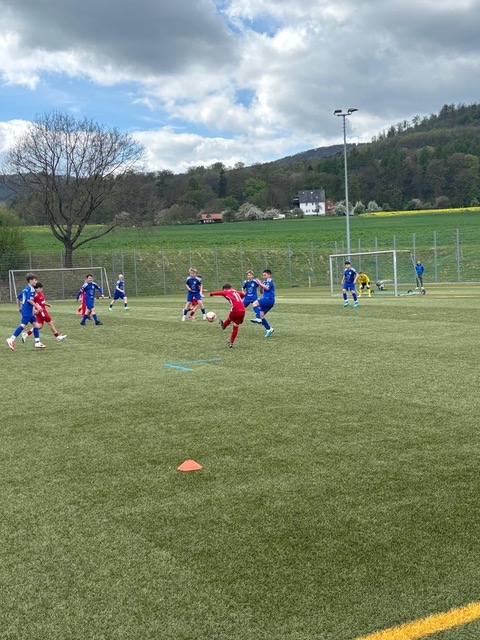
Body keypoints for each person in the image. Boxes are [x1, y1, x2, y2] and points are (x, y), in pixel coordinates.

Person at [6, 273, 46, 350]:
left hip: (28, 310)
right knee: (23, 325)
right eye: (35, 280)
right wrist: (37, 306)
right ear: (30, 280)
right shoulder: (31, 289)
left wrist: (19, 308)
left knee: (36, 325)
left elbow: (18, 297)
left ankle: (37, 342)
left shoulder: (26, 289)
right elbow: (29, 300)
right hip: (27, 310)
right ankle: (11, 339)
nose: (36, 281)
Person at [250, 269, 275, 337]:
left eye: (265, 275)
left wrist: (260, 283)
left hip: (269, 299)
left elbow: (267, 288)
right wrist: (260, 285)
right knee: (261, 315)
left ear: (269, 275)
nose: (263, 276)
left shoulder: (270, 281)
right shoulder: (264, 282)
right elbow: (261, 292)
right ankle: (269, 329)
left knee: (254, 303)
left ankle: (257, 318)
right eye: (263, 275)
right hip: (267, 300)